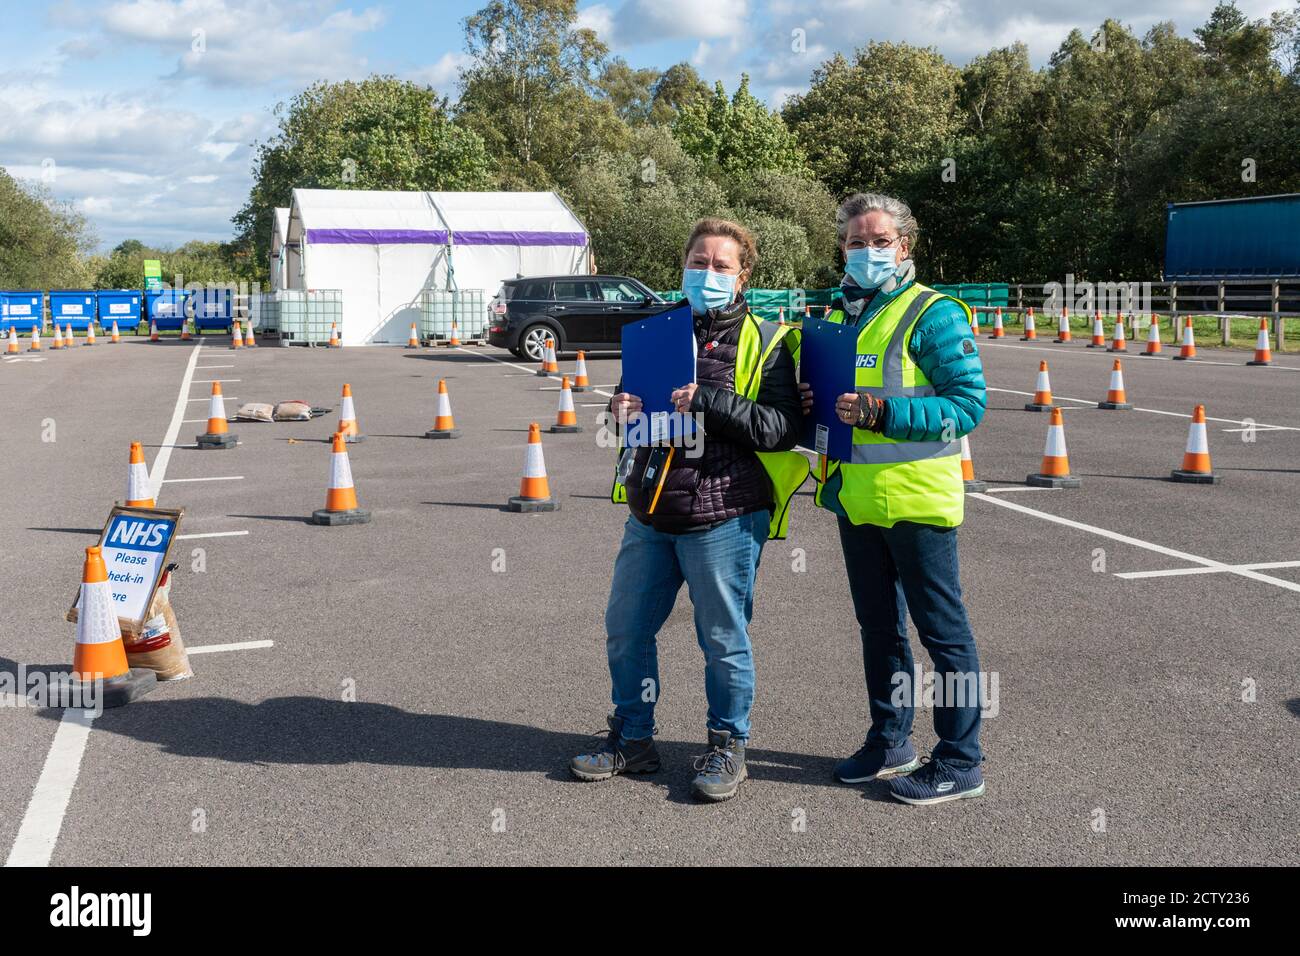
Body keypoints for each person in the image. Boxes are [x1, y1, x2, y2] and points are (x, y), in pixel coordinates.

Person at [569, 218, 808, 802]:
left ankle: (727, 746)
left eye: (721, 265)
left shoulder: (769, 341)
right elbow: (629, 413)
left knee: (723, 638)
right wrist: (617, 412)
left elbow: (780, 429)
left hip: (725, 513)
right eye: (698, 261)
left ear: (743, 275)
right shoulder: (654, 332)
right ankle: (632, 738)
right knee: (626, 630)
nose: (707, 273)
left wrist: (711, 400)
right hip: (652, 509)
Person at [801, 192, 988, 806]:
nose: (867, 250)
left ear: (904, 247)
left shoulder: (933, 313)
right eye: (856, 241)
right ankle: (891, 740)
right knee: (879, 630)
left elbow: (967, 406)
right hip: (857, 501)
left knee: (945, 635)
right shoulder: (840, 316)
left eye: (880, 241)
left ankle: (961, 760)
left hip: (918, 503)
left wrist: (885, 412)